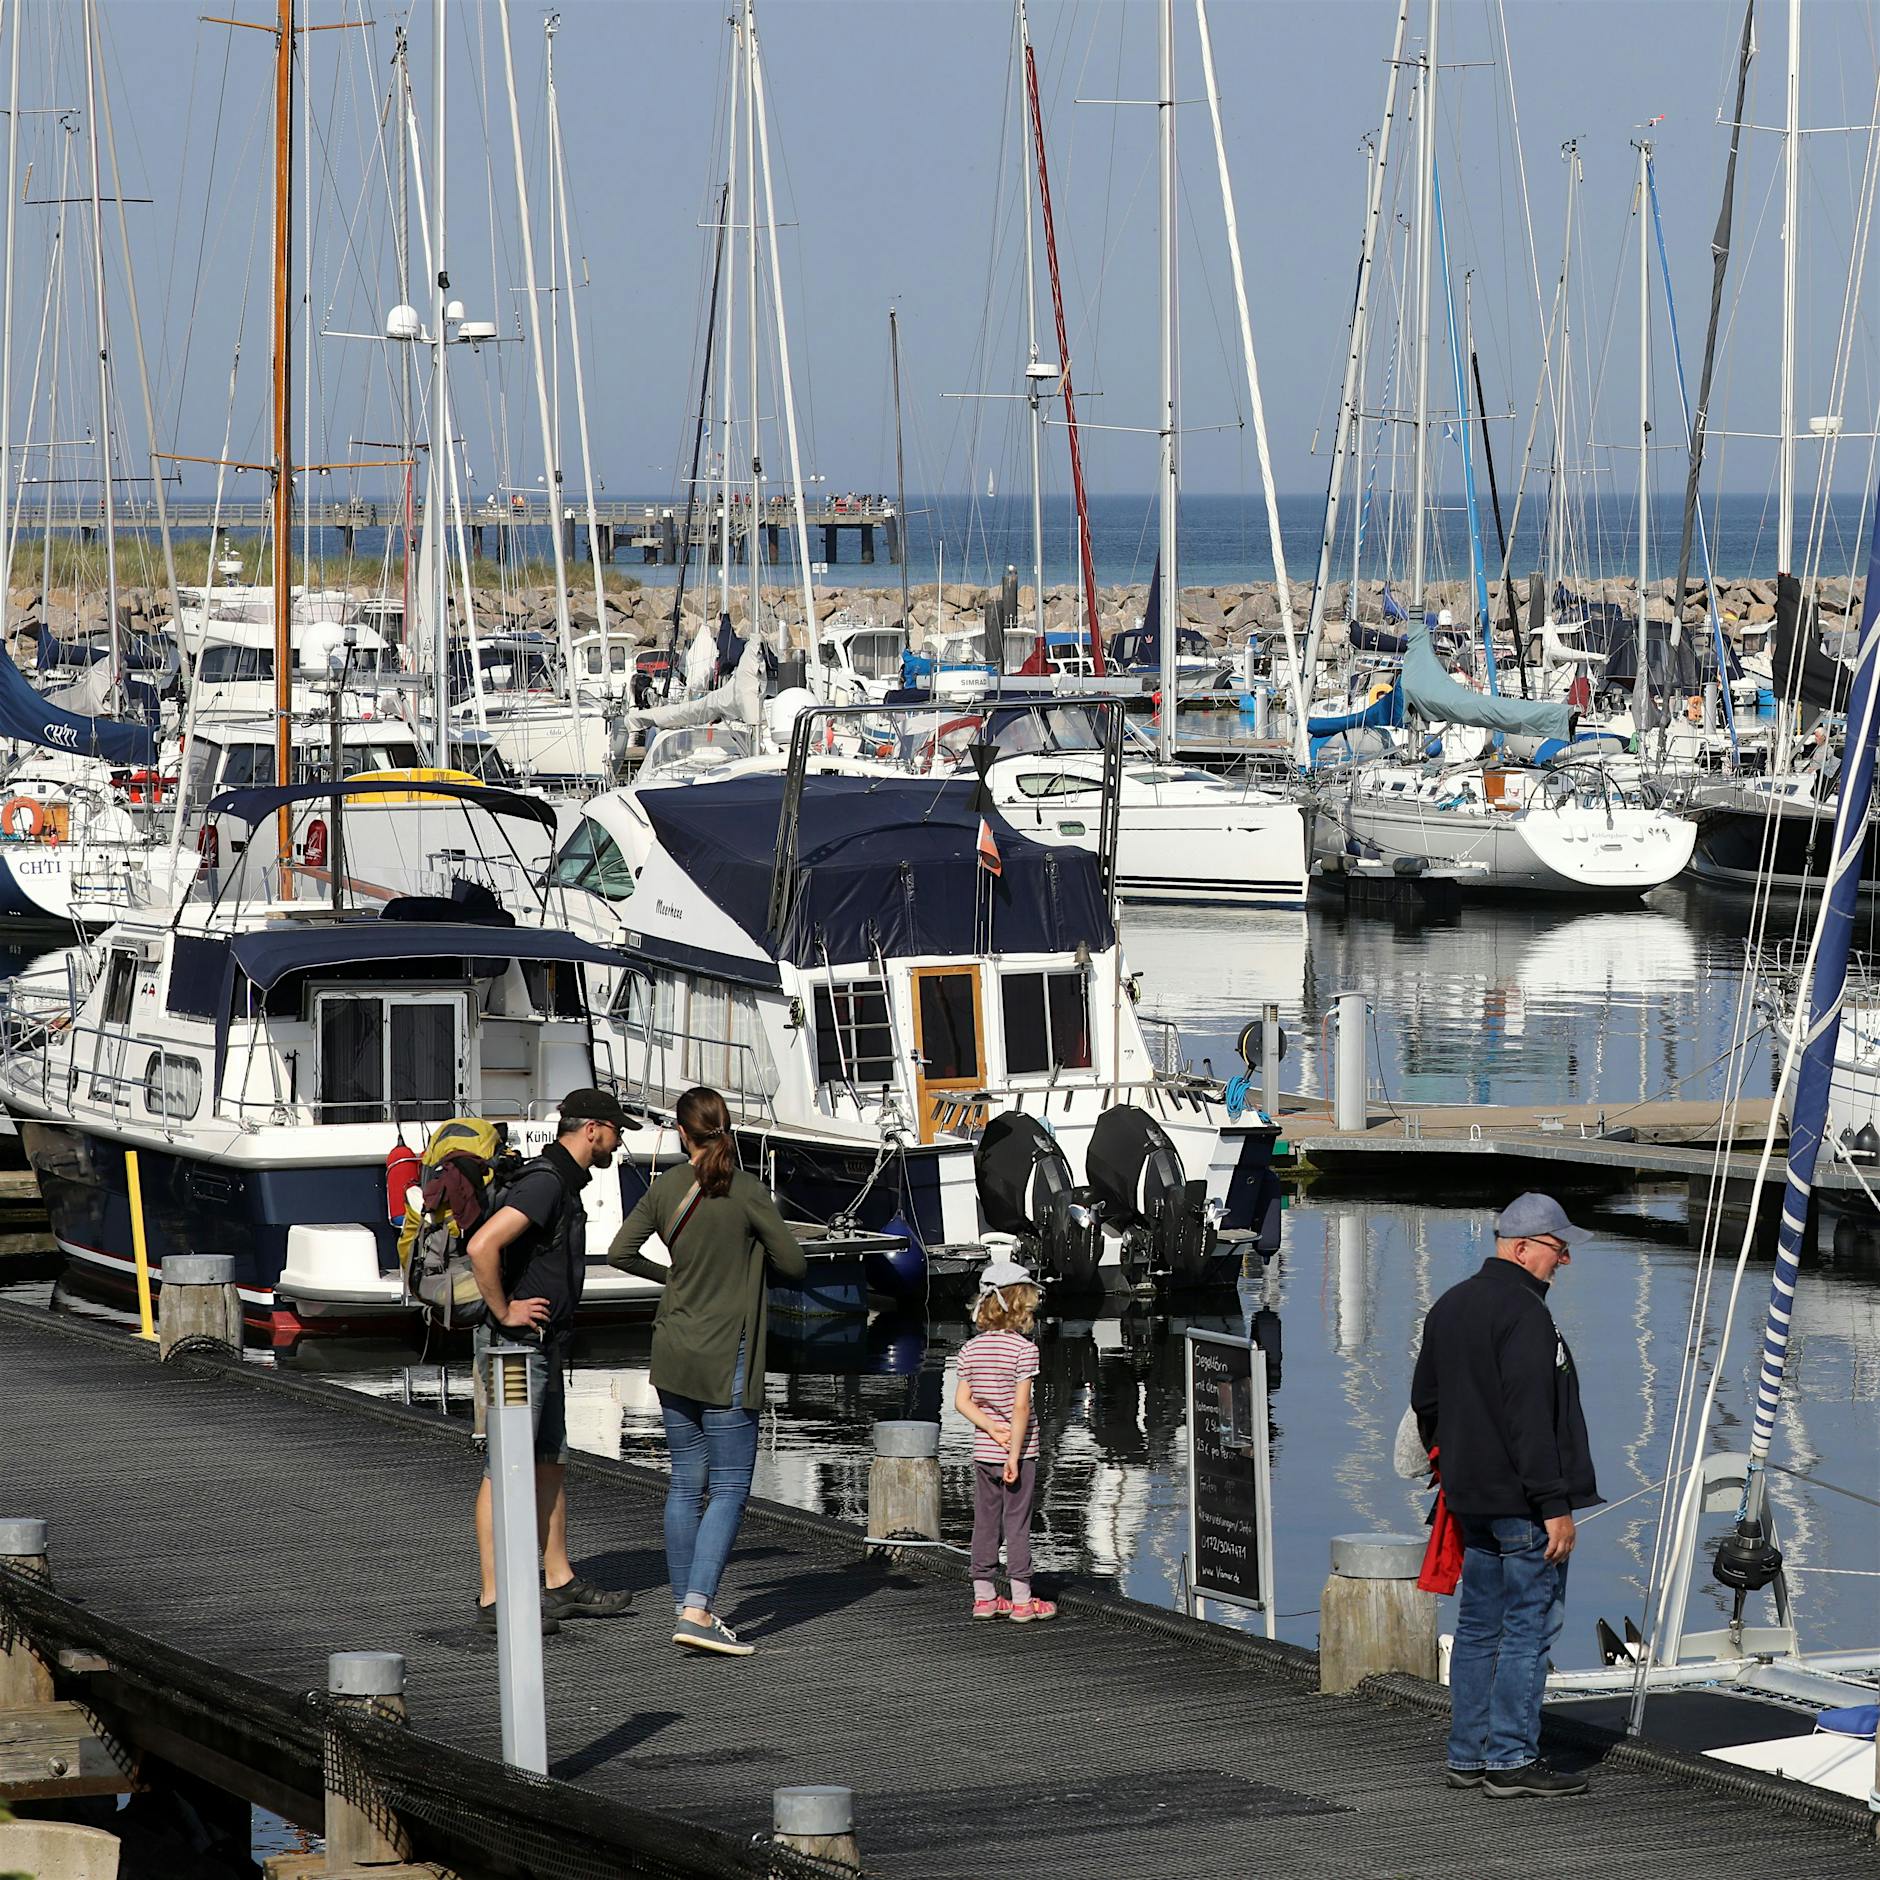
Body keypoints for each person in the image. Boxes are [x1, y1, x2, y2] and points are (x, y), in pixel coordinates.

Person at [1410, 1193, 1600, 1799]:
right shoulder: (1526, 1315)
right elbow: (1529, 1418)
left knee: (1477, 1628)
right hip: (1522, 1505)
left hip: (1469, 1500)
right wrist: (1555, 1506)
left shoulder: (1450, 1305)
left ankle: (1467, 1755)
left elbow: (1425, 1402)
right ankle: (1512, 1757)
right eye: (1556, 1249)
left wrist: (1459, 1463)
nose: (1563, 1261)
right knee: (1528, 1629)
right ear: (1521, 1248)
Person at [608, 1086, 807, 1657]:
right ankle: (697, 1612)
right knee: (729, 1488)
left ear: (681, 1132)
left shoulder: (665, 1188)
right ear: (728, 1129)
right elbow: (793, 1263)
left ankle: (684, 1606)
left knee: (684, 1484)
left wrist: (670, 1277)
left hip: (673, 1349)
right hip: (728, 1356)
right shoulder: (746, 1190)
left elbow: (620, 1252)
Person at [466, 1088, 637, 1633]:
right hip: (515, 1348)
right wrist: (504, 1310)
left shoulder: (563, 1179)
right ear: (592, 1130)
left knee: (549, 1461)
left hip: (545, 1343)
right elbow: (482, 1246)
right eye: (616, 1130)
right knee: (504, 1466)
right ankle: (495, 1599)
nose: (619, 1141)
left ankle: (558, 1581)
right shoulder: (545, 1182)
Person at [954, 1258, 1056, 1623]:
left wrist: (991, 1428)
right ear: (1019, 1306)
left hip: (984, 1452)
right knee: (1017, 1523)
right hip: (1019, 1453)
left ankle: (984, 1596)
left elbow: (961, 1402)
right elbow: (1021, 1407)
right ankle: (1022, 1601)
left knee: (985, 1521)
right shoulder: (1024, 1350)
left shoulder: (970, 1350)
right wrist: (1013, 1453)